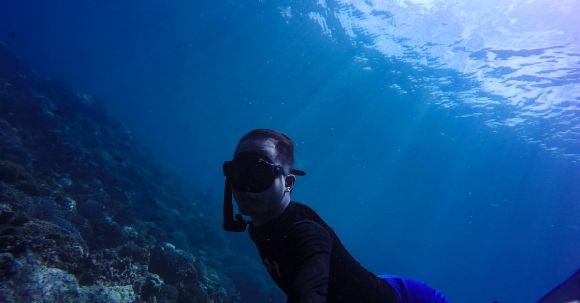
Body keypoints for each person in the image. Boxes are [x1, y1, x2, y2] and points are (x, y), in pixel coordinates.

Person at [222, 128, 449, 303]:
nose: (244, 186)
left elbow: (312, 292)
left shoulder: (305, 234)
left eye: (259, 172)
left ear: (289, 182)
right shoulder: (262, 220)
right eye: (237, 172)